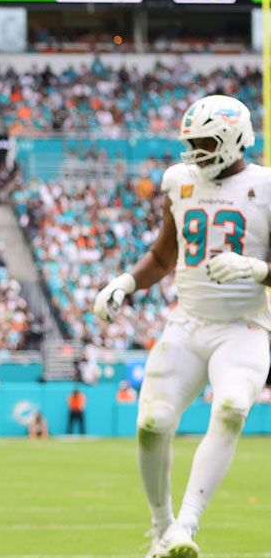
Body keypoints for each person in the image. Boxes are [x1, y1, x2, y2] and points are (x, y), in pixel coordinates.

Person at [93, 95, 271, 558]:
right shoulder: (180, 181)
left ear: (233, 141)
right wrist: (128, 281)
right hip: (187, 323)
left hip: (244, 326)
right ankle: (161, 528)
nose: (195, 154)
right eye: (191, 144)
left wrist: (256, 270)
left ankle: (185, 526)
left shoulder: (266, 186)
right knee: (152, 422)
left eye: (205, 144)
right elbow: (163, 255)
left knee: (232, 406)